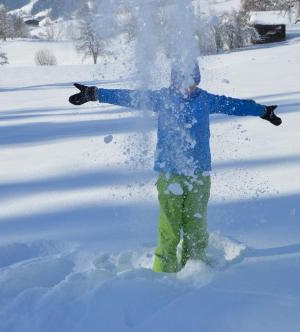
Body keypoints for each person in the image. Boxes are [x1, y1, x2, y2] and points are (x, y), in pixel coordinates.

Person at [69, 62, 282, 273]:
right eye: (179, 79)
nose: (184, 84)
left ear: (196, 80)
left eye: (189, 79)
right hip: (170, 174)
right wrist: (95, 93)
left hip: (198, 175)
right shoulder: (161, 98)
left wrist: (263, 111)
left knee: (196, 228)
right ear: (172, 79)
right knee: (169, 228)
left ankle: (195, 269)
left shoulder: (206, 100)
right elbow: (130, 97)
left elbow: (236, 105)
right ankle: (164, 271)